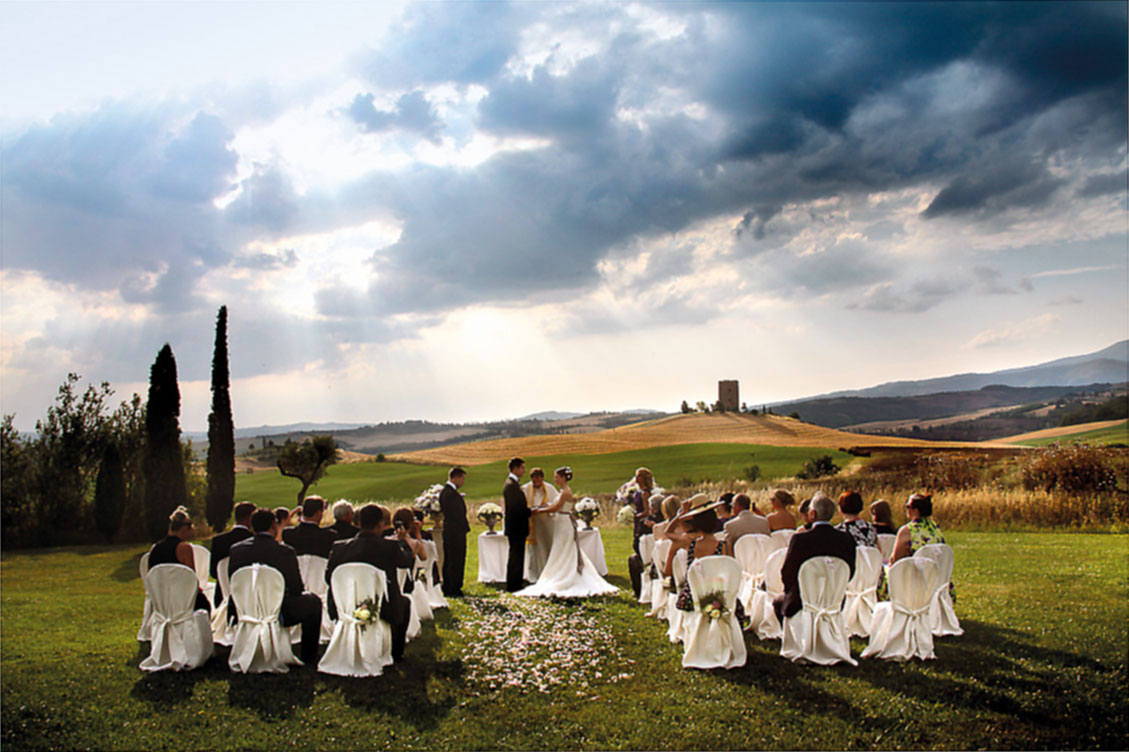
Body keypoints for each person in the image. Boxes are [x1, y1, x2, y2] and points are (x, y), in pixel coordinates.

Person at [325, 503, 420, 663]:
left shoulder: (340, 548)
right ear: (380, 524)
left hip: (346, 605)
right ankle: (396, 653)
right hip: (383, 607)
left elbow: (329, 578)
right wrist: (403, 542)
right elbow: (405, 562)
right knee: (405, 603)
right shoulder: (389, 547)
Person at [228, 508, 322, 664]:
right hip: (278, 610)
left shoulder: (236, 550)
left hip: (244, 608)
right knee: (314, 602)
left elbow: (234, 582)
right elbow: (296, 588)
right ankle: (309, 655)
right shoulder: (285, 552)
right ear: (273, 525)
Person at [515, 467, 618, 599]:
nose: (555, 479)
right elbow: (553, 504)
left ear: (563, 478)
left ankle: (565, 572)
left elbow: (556, 507)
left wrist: (539, 511)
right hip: (560, 522)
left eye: (557, 477)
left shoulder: (565, 492)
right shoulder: (562, 491)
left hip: (564, 523)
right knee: (560, 548)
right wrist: (544, 507)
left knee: (564, 547)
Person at [773, 494, 856, 624]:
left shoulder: (800, 540)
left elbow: (787, 573)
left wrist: (800, 592)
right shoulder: (846, 539)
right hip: (834, 600)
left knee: (777, 602)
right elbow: (849, 572)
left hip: (804, 601)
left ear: (812, 514)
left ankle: (796, 633)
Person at [665, 495, 743, 621]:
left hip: (694, 596)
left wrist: (682, 515)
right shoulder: (725, 545)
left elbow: (668, 532)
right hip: (720, 594)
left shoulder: (689, 543)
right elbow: (731, 571)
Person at [148, 505, 210, 613]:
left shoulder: (155, 549)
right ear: (185, 529)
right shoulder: (184, 549)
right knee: (204, 603)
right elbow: (191, 580)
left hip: (161, 602)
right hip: (181, 602)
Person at [210, 501, 255, 607]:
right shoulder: (253, 541)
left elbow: (213, 573)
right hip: (249, 599)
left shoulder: (218, 540)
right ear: (250, 518)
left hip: (223, 598)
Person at [523, 468, 559, 582]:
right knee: (534, 551)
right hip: (532, 524)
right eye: (534, 481)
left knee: (547, 548)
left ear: (542, 479)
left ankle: (549, 573)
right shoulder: (525, 489)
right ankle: (535, 575)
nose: (537, 484)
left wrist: (546, 507)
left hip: (546, 523)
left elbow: (556, 503)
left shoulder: (549, 488)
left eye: (539, 481)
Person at [890, 493, 946, 564]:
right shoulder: (936, 528)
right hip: (935, 569)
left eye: (908, 506)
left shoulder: (907, 530)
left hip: (914, 570)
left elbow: (896, 560)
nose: (906, 509)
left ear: (916, 510)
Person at [439, 467, 469, 597]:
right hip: (454, 532)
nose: (463, 482)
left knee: (451, 559)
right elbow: (456, 514)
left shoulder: (448, 492)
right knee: (455, 559)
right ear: (455, 477)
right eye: (462, 479)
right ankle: (453, 587)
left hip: (452, 531)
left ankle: (450, 585)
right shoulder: (450, 494)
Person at [503, 457, 531, 592]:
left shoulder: (513, 484)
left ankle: (516, 581)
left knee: (518, 555)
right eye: (522, 468)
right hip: (516, 527)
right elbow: (516, 508)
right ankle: (514, 584)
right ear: (515, 468)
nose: (524, 471)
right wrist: (530, 511)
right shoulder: (511, 486)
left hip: (517, 527)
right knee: (516, 555)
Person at [629, 467, 655, 556]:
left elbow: (647, 511)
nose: (636, 478)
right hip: (638, 520)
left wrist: (636, 516)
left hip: (642, 522)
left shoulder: (645, 493)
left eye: (639, 476)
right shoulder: (638, 492)